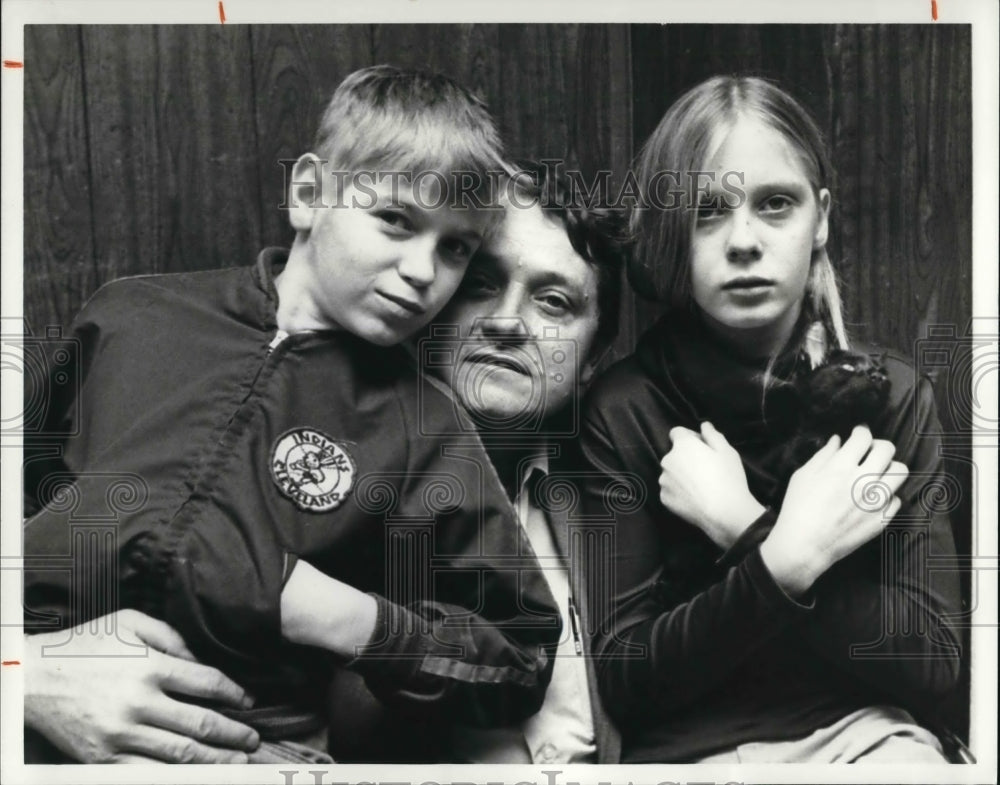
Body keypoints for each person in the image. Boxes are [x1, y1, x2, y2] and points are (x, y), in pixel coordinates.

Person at [22, 65, 561, 762]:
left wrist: (344, 617)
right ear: (309, 193)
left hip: (245, 743)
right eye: (396, 219)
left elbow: (519, 655)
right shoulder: (132, 315)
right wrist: (24, 670)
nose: (425, 272)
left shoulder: (423, 424)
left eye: (455, 247)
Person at [578, 75, 962, 763]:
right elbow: (630, 677)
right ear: (672, 229)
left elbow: (932, 657)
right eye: (708, 210)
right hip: (685, 757)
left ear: (820, 218)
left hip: (868, 740)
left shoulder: (894, 395)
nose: (744, 241)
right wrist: (782, 559)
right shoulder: (625, 409)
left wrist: (743, 525)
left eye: (774, 204)